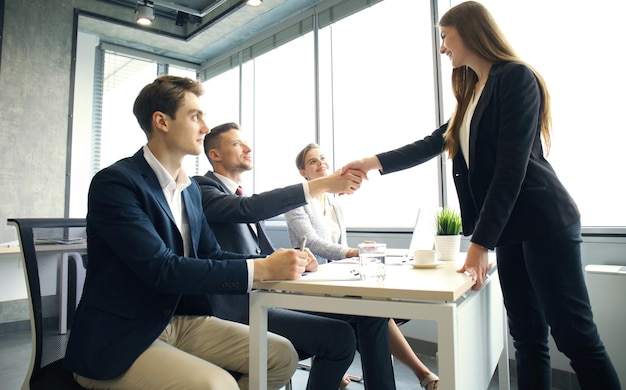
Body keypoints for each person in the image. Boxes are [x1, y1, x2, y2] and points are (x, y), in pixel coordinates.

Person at [340, 2, 621, 390]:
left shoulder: (516, 78)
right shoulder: (473, 93)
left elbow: (511, 170)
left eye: (444, 36)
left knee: (575, 337)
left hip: (544, 222)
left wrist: (480, 245)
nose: (442, 48)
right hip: (510, 227)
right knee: (526, 336)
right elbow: (429, 144)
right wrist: (370, 162)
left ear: (470, 30)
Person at [64, 76, 310, 390]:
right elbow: (161, 268)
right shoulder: (116, 183)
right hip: (119, 335)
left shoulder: (190, 189)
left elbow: (213, 255)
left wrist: (277, 261)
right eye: (196, 116)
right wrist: (260, 269)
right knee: (216, 385)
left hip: (179, 321)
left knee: (281, 355)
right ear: (161, 121)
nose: (206, 127)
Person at [193, 122, 396, 390]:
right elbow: (246, 210)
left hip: (272, 296)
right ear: (215, 155)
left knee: (371, 314)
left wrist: (296, 260)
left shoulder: (239, 197)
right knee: (340, 337)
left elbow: (258, 253)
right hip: (241, 309)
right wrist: (322, 184)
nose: (248, 148)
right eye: (236, 144)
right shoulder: (201, 188)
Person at [285, 143, 440, 390]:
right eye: (312, 161)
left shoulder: (336, 206)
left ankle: (338, 367)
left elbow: (340, 247)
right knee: (372, 312)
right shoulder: (296, 202)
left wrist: (357, 255)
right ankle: (421, 372)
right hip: (308, 288)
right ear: (303, 173)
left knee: (375, 308)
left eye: (322, 158)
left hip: (334, 282)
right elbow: (314, 243)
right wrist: (353, 252)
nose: (321, 162)